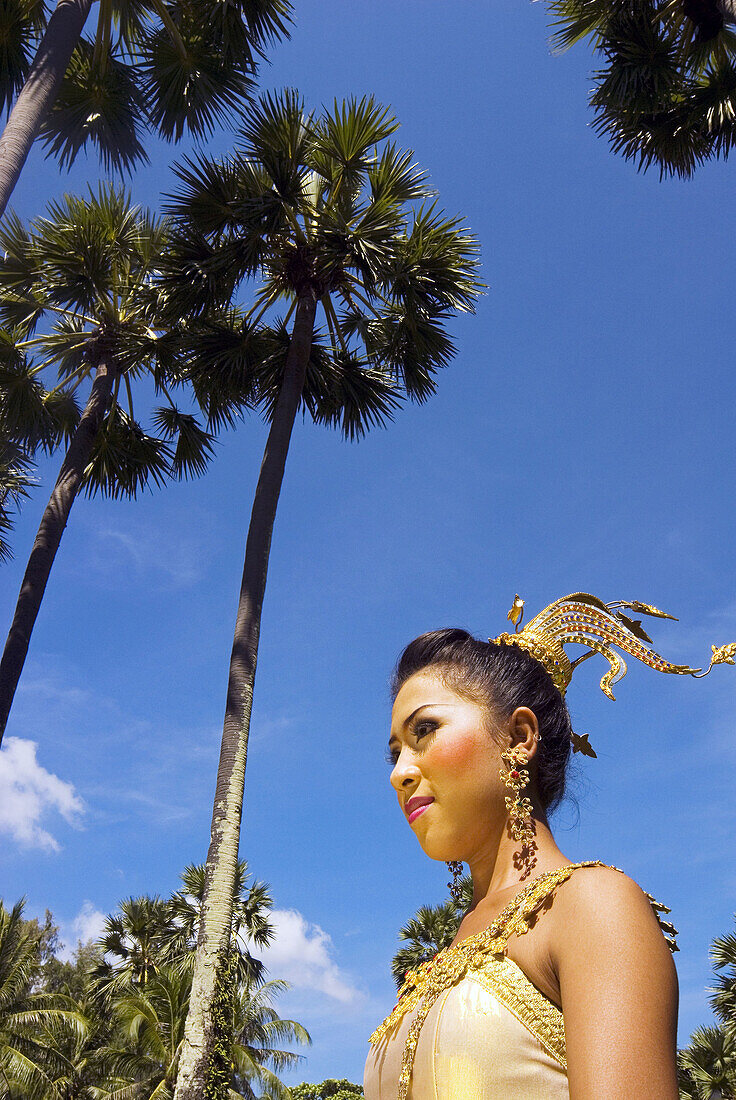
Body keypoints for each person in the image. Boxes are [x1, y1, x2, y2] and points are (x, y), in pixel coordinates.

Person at [364, 593, 735, 1100]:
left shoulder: (592, 905)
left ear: (519, 735)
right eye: (394, 754)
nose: (400, 774)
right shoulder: (445, 952)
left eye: (424, 731)